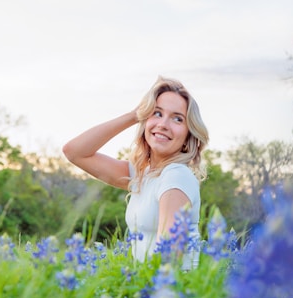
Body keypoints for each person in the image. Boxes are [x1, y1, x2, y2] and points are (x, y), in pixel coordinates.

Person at [62, 76, 209, 269]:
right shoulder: (142, 174)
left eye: (177, 118)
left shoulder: (176, 175)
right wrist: (133, 115)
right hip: (145, 284)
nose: (163, 124)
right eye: (157, 113)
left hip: (168, 292)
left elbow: (168, 257)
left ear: (188, 134)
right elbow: (75, 152)